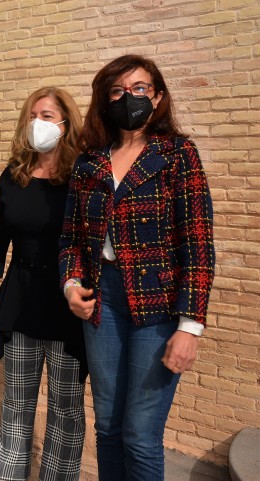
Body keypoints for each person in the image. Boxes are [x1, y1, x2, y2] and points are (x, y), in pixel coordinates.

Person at [59, 54, 215, 481]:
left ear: (158, 96)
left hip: (159, 306)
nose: (129, 98)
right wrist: (72, 283)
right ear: (104, 100)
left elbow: (198, 244)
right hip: (102, 303)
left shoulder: (177, 154)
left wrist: (189, 327)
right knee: (107, 427)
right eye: (117, 91)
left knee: (141, 435)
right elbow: (71, 238)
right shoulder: (90, 161)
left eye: (140, 88)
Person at [0, 87, 87, 481]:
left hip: (68, 302)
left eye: (48, 115)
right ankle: (9, 475)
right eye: (33, 114)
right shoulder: (13, 174)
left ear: (66, 123)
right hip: (20, 299)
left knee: (66, 407)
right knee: (17, 401)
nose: (39, 122)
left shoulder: (83, 176)